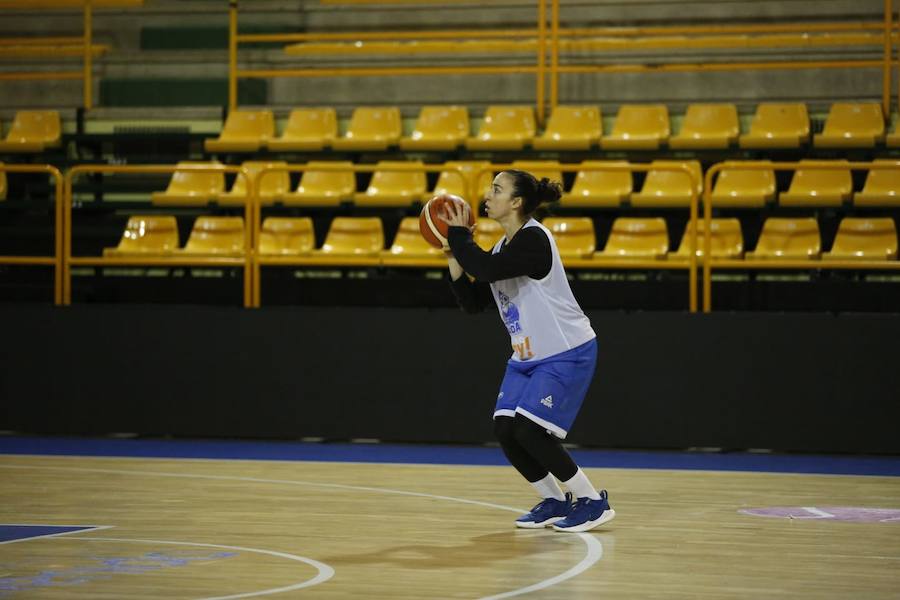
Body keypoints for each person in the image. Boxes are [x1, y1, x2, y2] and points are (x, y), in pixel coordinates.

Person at [438, 169, 615, 533]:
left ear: (516, 202)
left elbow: (485, 269)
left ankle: (592, 501)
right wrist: (452, 254)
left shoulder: (533, 239)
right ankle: (553, 500)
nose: (488, 195)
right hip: (527, 358)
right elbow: (472, 302)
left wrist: (458, 236)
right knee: (505, 428)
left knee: (529, 431)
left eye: (497, 189)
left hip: (566, 350)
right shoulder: (504, 248)